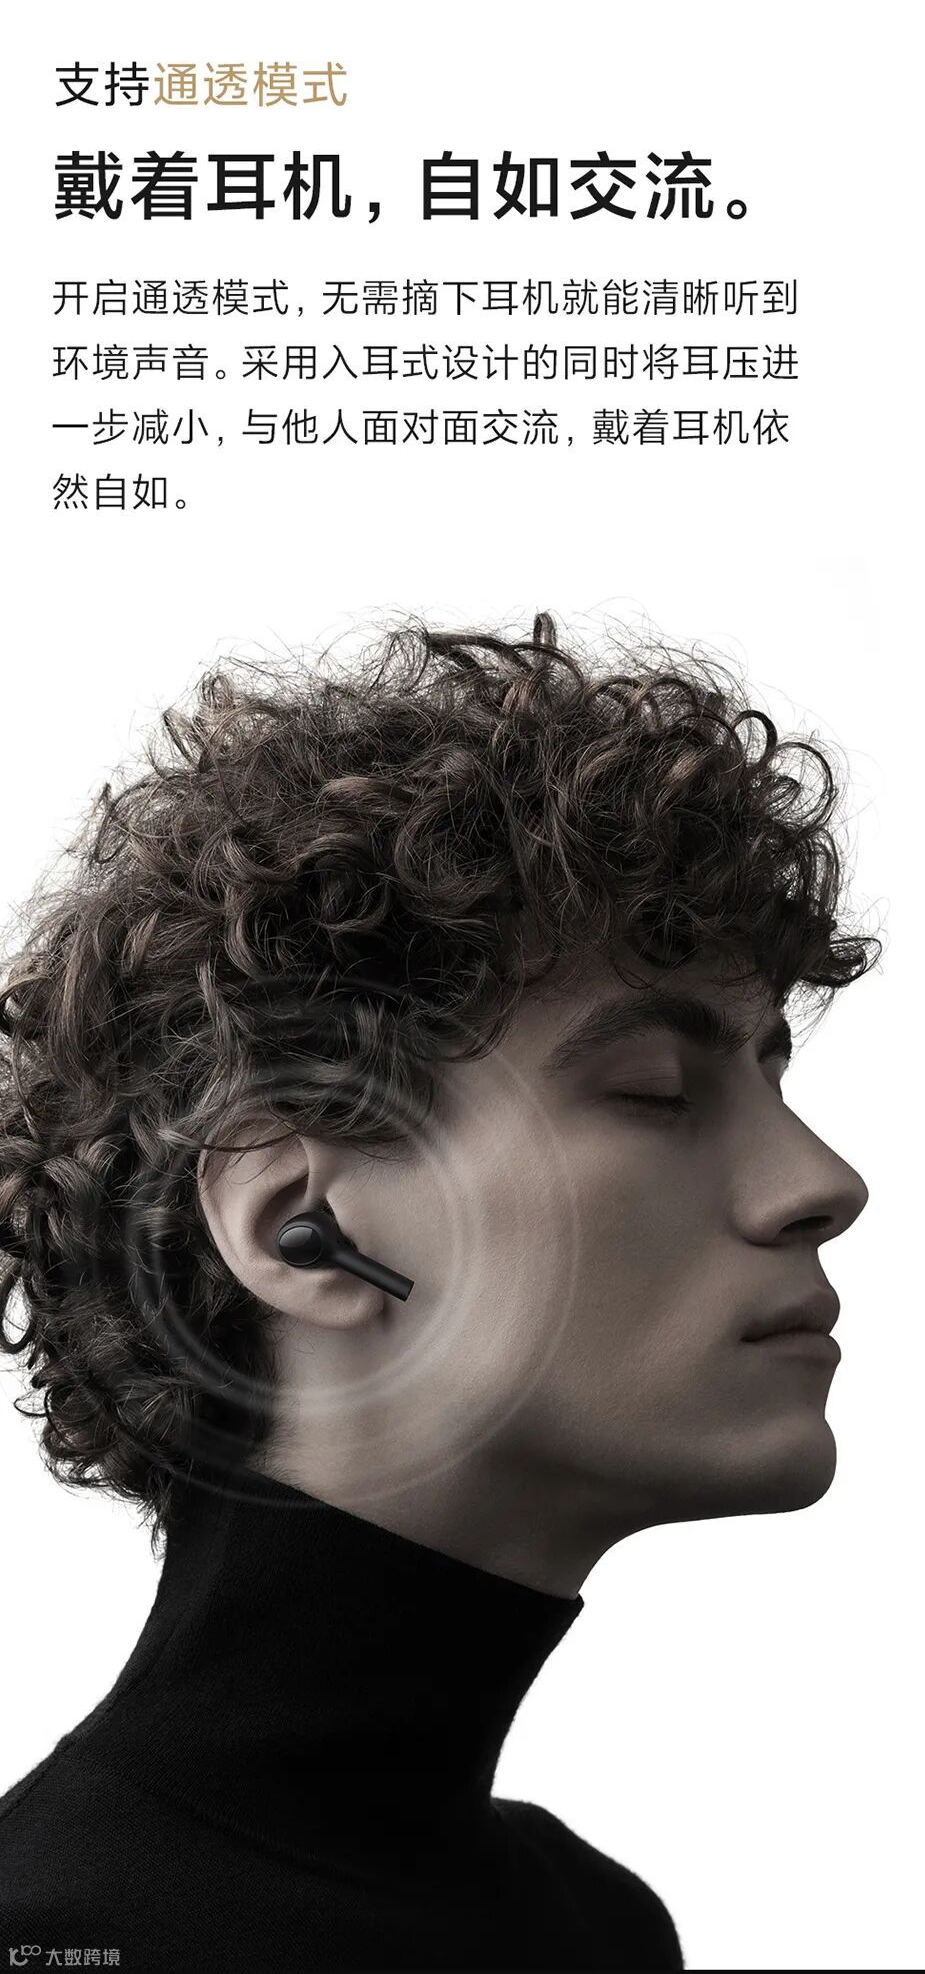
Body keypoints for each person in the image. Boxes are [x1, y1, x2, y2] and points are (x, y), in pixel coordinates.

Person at [0, 613, 875, 1972]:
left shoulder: (594, 1926)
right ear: (298, 1231)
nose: (820, 1182)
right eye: (655, 1092)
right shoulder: (55, 1939)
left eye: (773, 1077)